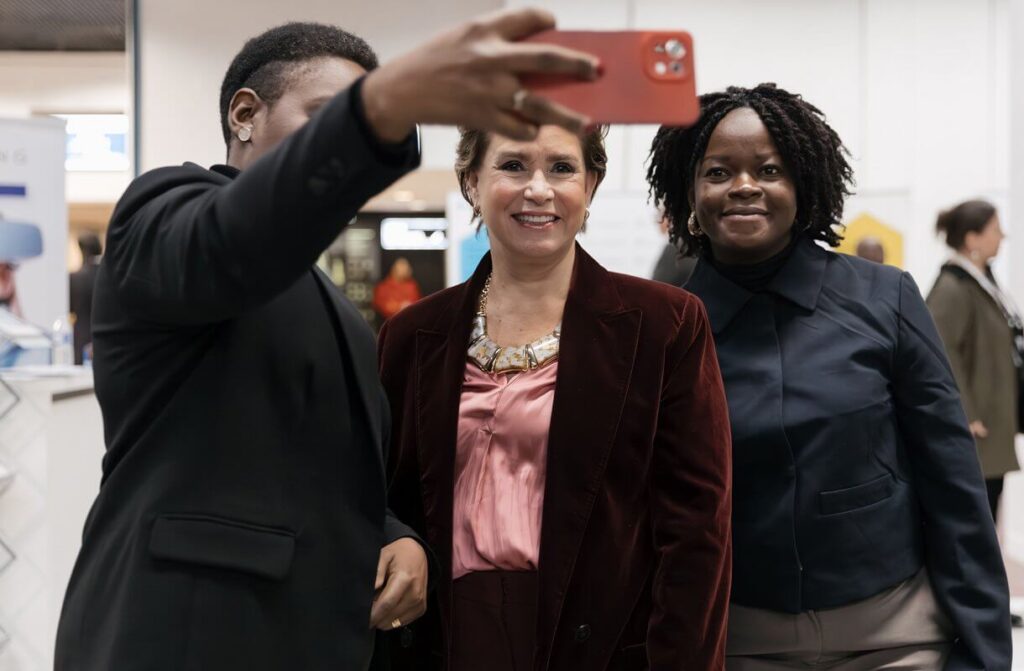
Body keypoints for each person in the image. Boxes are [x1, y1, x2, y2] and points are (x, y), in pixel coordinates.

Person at [55, 11, 602, 671]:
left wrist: (397, 538)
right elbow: (233, 240)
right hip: (185, 633)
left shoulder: (338, 312)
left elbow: (330, 472)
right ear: (245, 114)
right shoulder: (162, 213)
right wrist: (384, 103)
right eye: (326, 115)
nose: (354, 161)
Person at [647, 83, 1010, 669]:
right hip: (737, 642)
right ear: (689, 192)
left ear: (803, 185)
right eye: (718, 172)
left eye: (769, 169)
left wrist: (985, 653)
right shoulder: (665, 327)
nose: (744, 186)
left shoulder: (884, 298)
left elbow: (953, 484)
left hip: (896, 636)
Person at [378, 122, 732, 671]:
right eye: (513, 166)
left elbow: (696, 532)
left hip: (602, 643)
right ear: (472, 182)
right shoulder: (409, 336)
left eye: (562, 168)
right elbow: (377, 495)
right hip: (445, 637)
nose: (538, 188)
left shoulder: (665, 326)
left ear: (590, 184)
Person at [927, 200, 1020, 521]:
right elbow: (938, 351)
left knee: (989, 512)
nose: (1003, 236)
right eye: (995, 229)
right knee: (973, 520)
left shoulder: (983, 283)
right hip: (974, 429)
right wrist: (964, 412)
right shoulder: (953, 287)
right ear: (972, 239)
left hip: (990, 423)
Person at [69, 232, 102, 363]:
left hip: (80, 336)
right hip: (103, 335)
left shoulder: (74, 278)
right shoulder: (108, 276)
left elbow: (70, 308)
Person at [650, 214, 696, 286]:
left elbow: (655, 288)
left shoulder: (674, 251)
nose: (656, 221)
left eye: (660, 216)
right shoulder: (697, 247)